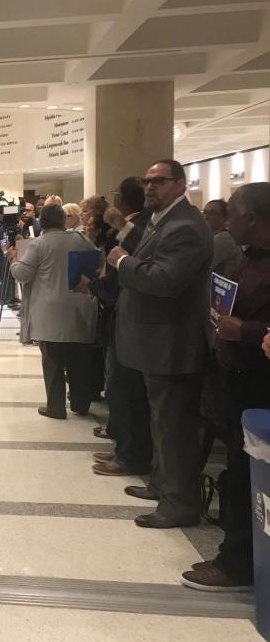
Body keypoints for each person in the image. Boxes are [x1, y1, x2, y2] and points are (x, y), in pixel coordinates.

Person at [107, 159, 213, 529]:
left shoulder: (184, 226)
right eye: (147, 181)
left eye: (160, 181)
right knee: (161, 422)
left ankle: (179, 505)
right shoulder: (162, 220)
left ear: (181, 184)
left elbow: (165, 280)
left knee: (174, 427)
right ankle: (162, 484)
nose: (151, 187)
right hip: (155, 342)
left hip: (172, 344)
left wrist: (122, 262)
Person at [181, 183, 270, 592]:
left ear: (252, 218)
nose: (224, 220)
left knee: (244, 477)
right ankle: (237, 556)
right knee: (237, 473)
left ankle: (236, 565)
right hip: (234, 378)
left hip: (259, 384)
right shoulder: (249, 259)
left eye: (232, 213)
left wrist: (248, 332)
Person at [85, 177, 153, 476]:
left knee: (125, 390)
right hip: (122, 317)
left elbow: (119, 274)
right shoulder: (139, 227)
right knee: (120, 389)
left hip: (127, 316)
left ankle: (130, 455)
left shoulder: (143, 229)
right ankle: (124, 449)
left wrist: (99, 283)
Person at [10, 204, 98, 418]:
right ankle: (80, 403)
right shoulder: (82, 239)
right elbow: (97, 263)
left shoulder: (39, 244)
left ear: (43, 221)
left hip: (50, 312)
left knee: (53, 363)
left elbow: (22, 273)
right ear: (63, 220)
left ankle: (56, 407)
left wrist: (13, 259)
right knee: (79, 361)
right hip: (80, 307)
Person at [203, 198, 243, 278]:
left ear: (225, 217)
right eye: (204, 213)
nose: (205, 217)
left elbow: (200, 268)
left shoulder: (223, 239)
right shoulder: (215, 236)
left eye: (211, 213)